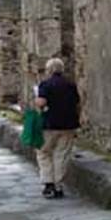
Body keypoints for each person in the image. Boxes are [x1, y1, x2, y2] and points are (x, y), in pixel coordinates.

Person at [34, 58, 80, 199]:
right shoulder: (71, 85)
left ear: (48, 70)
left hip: (49, 124)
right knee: (62, 154)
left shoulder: (45, 84)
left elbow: (41, 102)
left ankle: (49, 184)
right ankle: (58, 185)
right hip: (68, 124)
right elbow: (78, 102)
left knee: (44, 152)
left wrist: (36, 101)